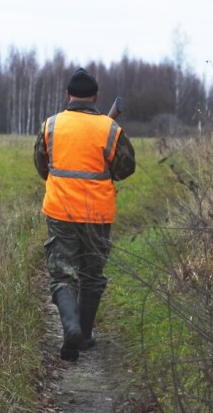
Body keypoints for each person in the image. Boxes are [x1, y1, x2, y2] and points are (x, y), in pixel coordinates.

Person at [34, 67, 136, 362]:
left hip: (60, 211)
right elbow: (126, 168)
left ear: (68, 95)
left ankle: (71, 328)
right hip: (97, 214)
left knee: (62, 274)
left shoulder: (51, 125)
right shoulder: (110, 129)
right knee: (91, 274)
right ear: (95, 96)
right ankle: (85, 334)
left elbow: (41, 164)